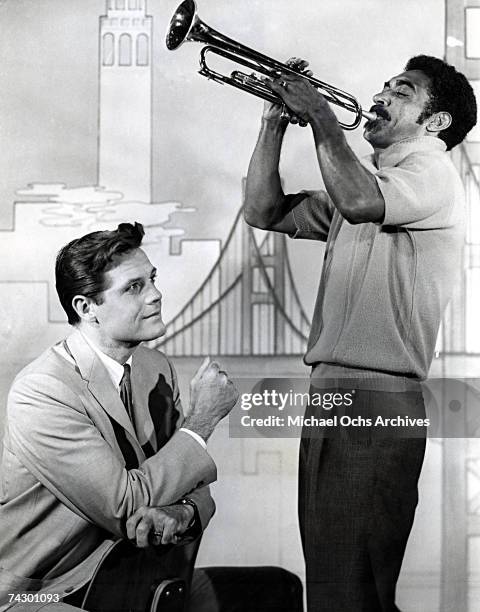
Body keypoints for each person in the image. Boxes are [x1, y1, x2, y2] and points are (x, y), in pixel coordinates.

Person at [244, 55, 477, 611]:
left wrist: (321, 115)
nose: (381, 93)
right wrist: (274, 122)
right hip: (336, 392)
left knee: (351, 594)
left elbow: (358, 201)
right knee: (333, 585)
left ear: (435, 122)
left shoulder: (431, 172)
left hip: (375, 395)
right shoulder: (375, 181)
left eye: (402, 91)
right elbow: (262, 210)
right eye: (386, 84)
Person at [0, 222, 239, 611]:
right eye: (134, 287)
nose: (156, 295)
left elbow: (191, 482)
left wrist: (182, 511)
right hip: (48, 591)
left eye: (152, 279)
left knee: (274, 590)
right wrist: (202, 421)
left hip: (130, 579)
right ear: (86, 308)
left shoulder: (155, 367)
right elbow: (125, 505)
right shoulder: (42, 392)